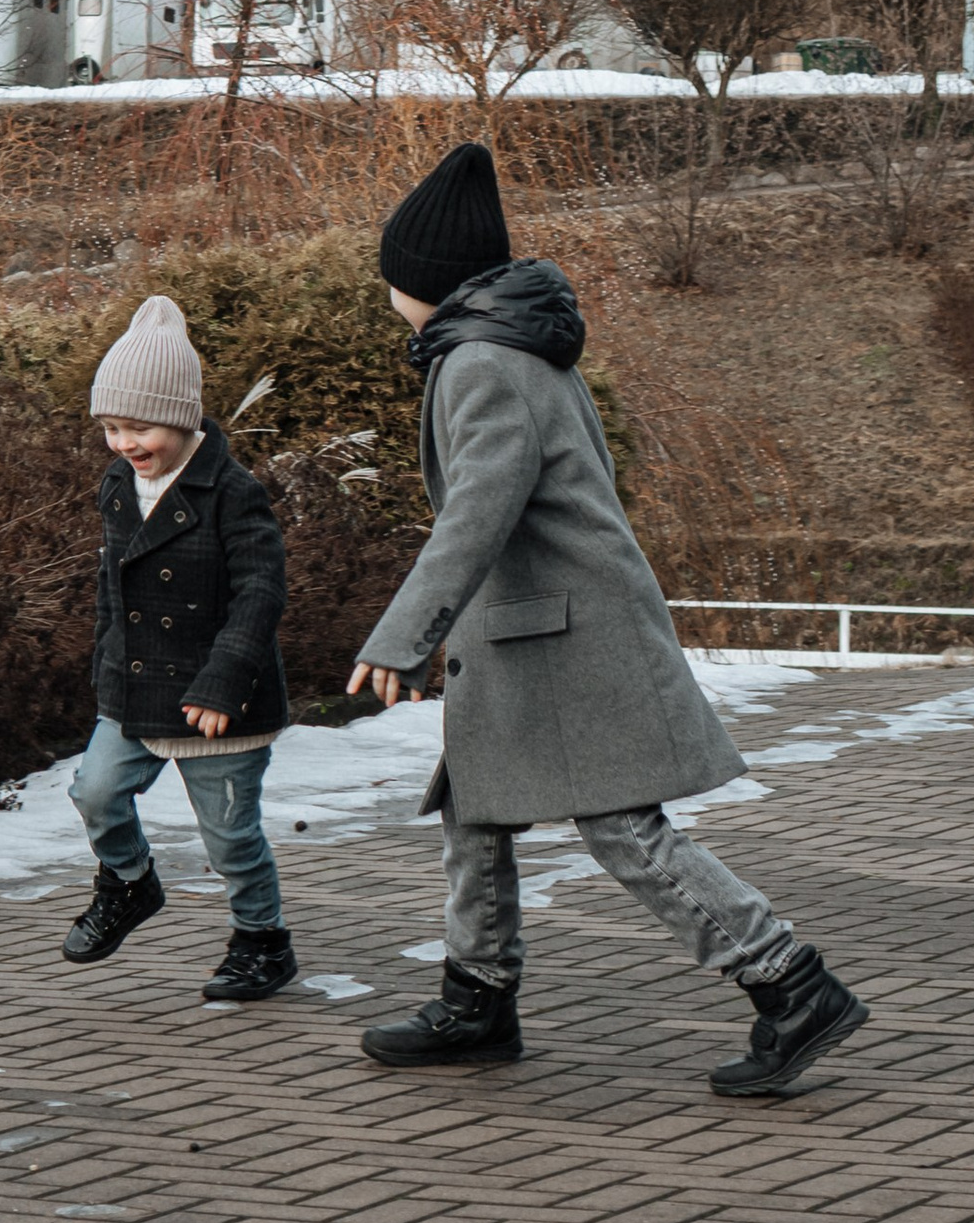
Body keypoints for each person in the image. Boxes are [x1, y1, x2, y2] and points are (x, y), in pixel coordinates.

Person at [346, 142, 866, 1100]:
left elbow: (478, 511)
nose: (387, 295)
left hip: (564, 639)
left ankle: (791, 983)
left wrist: (401, 632)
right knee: (477, 811)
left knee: (624, 828)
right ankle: (477, 999)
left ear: (426, 283)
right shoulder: (509, 349)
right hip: (528, 634)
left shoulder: (481, 363)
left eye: (393, 279)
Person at [61, 293, 300, 1006]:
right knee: (95, 791)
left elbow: (261, 594)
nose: (125, 443)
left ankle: (262, 942)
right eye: (110, 427)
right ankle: (129, 882)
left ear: (184, 417)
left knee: (230, 837)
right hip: (135, 687)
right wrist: (107, 668)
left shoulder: (232, 493)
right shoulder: (116, 485)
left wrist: (224, 681)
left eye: (139, 427)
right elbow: (114, 588)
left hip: (221, 700)